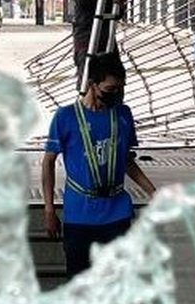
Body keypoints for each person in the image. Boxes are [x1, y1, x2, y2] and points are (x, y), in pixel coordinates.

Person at [41, 51, 156, 276]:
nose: (116, 95)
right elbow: (48, 163)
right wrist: (49, 209)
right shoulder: (65, 117)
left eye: (120, 89)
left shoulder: (123, 115)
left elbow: (126, 161)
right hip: (79, 214)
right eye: (110, 89)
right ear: (93, 84)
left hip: (117, 214)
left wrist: (153, 192)